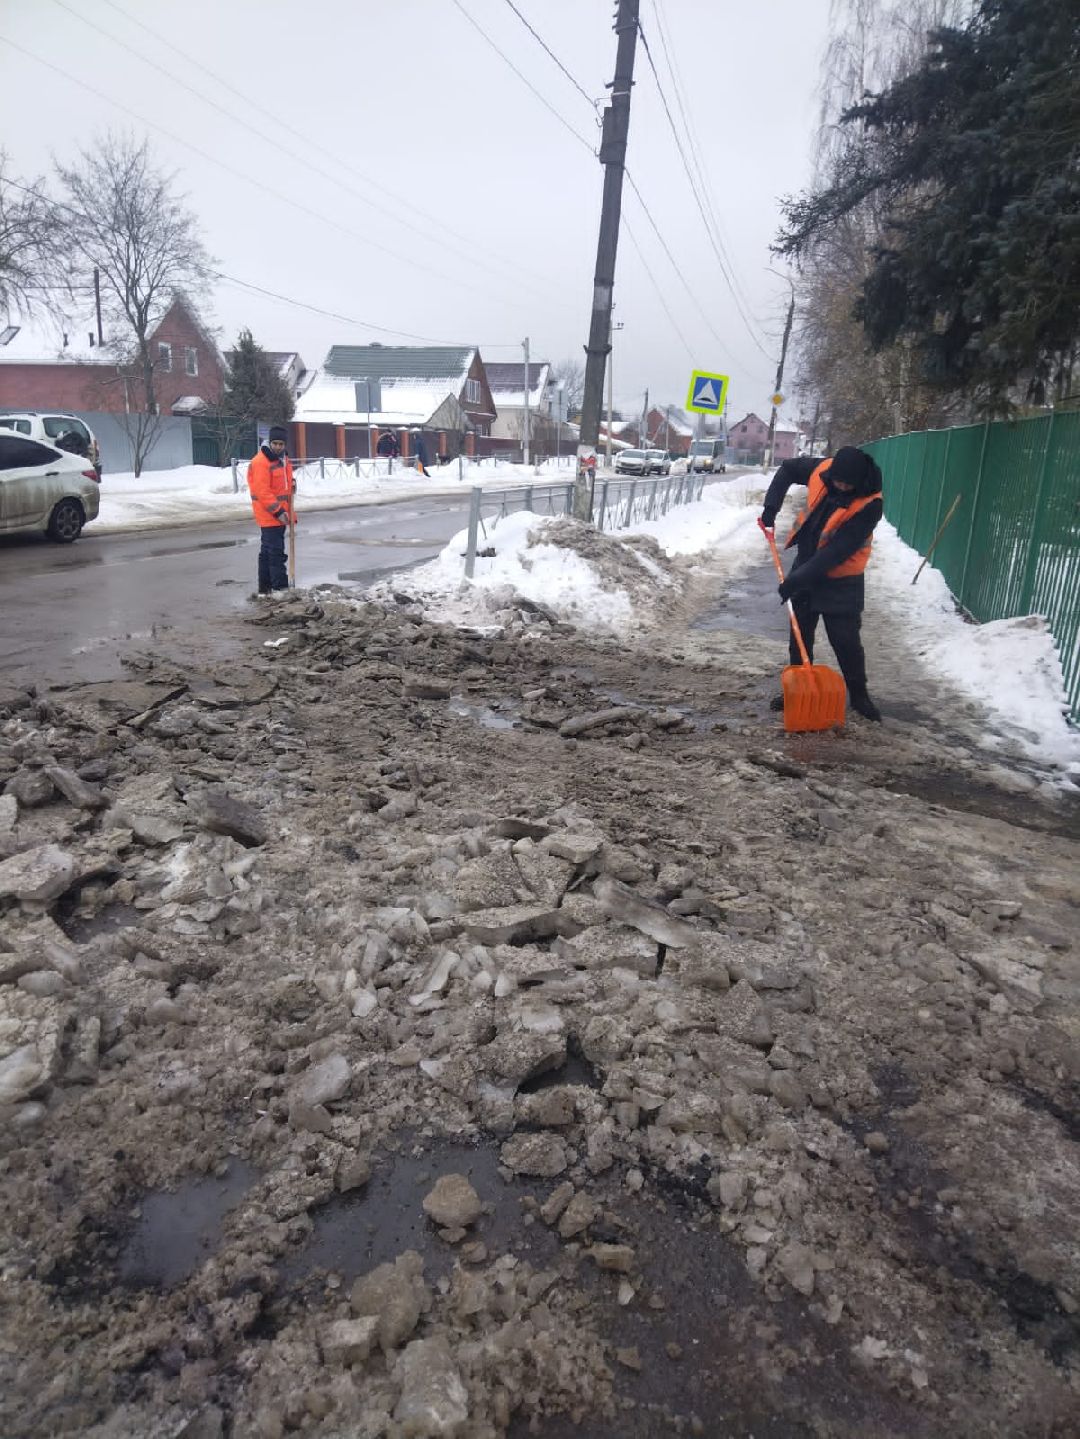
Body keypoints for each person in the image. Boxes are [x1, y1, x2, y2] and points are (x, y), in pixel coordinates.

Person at [760, 445, 885, 721]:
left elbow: (837, 551)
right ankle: (799, 690)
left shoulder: (870, 504)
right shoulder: (822, 470)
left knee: (845, 640)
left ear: (859, 482)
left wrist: (795, 580)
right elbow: (789, 468)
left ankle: (860, 696)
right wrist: (771, 507)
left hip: (841, 579)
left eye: (847, 484)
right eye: (837, 480)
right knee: (799, 633)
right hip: (806, 564)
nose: (840, 486)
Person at [246, 426, 295, 595]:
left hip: (279, 513)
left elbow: (283, 483)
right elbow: (263, 491)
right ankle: (279, 587)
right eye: (275, 443)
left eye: (281, 444)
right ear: (270, 442)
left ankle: (265, 588)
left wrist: (292, 483)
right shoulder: (261, 462)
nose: (278, 447)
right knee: (275, 552)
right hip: (270, 514)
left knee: (267, 552)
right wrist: (278, 512)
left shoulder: (283, 459)